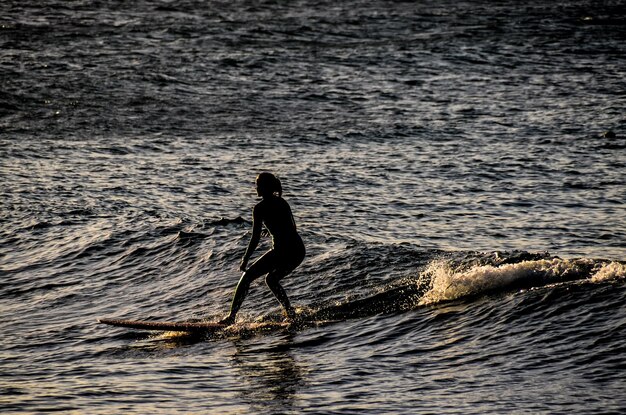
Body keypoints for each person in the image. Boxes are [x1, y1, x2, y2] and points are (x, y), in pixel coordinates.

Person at [220, 172, 305, 325]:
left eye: (258, 185)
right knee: (271, 279)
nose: (256, 187)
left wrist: (245, 259)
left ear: (265, 187)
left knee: (246, 278)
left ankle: (231, 317)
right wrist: (273, 229)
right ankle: (290, 312)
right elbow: (291, 227)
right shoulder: (282, 202)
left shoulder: (259, 208)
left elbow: (255, 238)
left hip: (283, 250)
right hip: (298, 250)